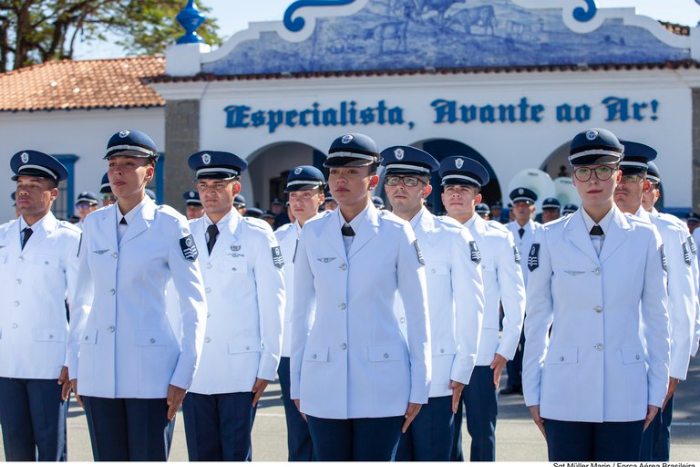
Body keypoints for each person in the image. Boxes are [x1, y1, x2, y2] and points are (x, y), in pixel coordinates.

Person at [523, 128, 670, 462]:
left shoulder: (645, 238)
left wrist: (657, 388)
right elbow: (537, 319)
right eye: (584, 171)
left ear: (618, 176)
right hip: (564, 389)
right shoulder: (549, 237)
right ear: (573, 178)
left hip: (626, 389)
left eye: (604, 169)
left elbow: (657, 317)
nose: (594, 179)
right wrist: (532, 388)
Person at [66, 129, 208, 461]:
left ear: (150, 170)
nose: (118, 172)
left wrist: (185, 372)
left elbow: (194, 303)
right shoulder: (94, 224)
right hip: (99, 370)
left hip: (152, 372)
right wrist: (75, 363)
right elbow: (81, 299)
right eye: (113, 164)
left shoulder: (170, 225)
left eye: (129, 164)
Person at [290, 133, 431, 461]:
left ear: (373, 180)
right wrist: (297, 383)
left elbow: (418, 312)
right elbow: (298, 312)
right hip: (322, 379)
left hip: (382, 380)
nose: (341, 179)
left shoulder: (396, 232)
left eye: (352, 172)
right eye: (335, 171)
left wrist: (419, 386)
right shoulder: (312, 232)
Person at [380, 146, 484, 461]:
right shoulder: (370, 236)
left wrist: (463, 367)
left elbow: (471, 304)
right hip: (383, 373)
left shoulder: (451, 235)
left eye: (409, 181)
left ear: (426, 190)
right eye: (394, 179)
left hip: (438, 376)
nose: (399, 187)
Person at [181, 151, 284, 461]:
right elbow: (177, 301)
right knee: (200, 454)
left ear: (236, 189)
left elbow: (273, 300)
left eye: (218, 185)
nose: (209, 193)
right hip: (196, 369)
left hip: (240, 368)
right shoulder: (186, 234)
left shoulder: (256, 234)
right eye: (204, 185)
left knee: (236, 454)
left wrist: (269, 363)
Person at [439, 156, 526, 462]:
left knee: (482, 429)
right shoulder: (429, 234)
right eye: (450, 188)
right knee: (443, 434)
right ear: (441, 196)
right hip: (441, 351)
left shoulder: (498, 237)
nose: (455, 194)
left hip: (482, 354)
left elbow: (516, 296)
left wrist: (506, 349)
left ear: (477, 198)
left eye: (463, 189)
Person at [614, 146, 696, 462]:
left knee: (650, 445)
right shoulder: (594, 229)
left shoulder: (670, 231)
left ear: (646, 185)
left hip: (651, 361)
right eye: (618, 176)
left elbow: (684, 301)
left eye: (631, 177)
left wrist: (675, 368)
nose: (621, 185)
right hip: (608, 361)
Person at [0, 150, 81, 461]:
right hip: (8, 360)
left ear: (52, 194)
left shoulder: (68, 239)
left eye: (34, 184)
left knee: (51, 447)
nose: (24, 191)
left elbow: (80, 304)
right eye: (21, 183)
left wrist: (73, 359)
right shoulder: (4, 236)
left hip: (50, 362)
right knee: (15, 447)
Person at [274, 165, 326, 461]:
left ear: (321, 197)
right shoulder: (279, 238)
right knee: (297, 430)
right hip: (289, 346)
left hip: (325, 345)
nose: (298, 201)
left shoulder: (337, 232)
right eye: (293, 194)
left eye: (306, 194)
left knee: (325, 427)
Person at [503, 187, 543, 395]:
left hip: (534, 297)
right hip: (510, 298)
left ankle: (530, 383)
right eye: (518, 205)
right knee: (511, 341)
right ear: (512, 209)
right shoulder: (504, 232)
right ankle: (513, 381)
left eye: (525, 205)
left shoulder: (541, 232)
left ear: (532, 208)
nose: (521, 208)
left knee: (532, 342)